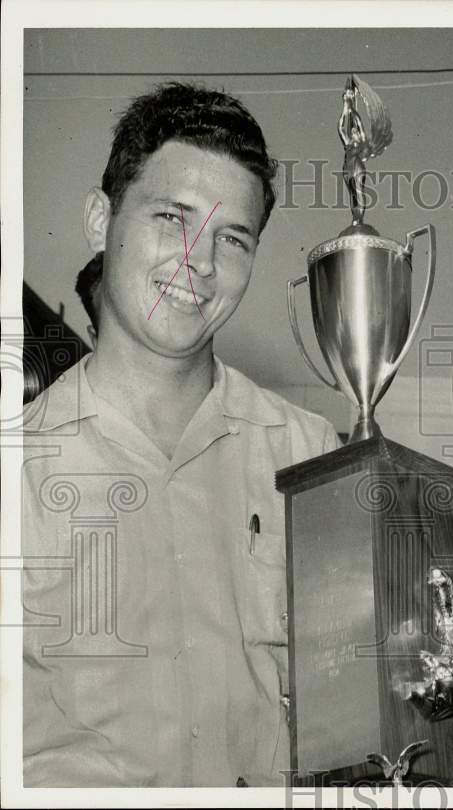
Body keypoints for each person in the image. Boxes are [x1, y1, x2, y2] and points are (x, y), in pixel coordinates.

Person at [20, 82, 344, 787]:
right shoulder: (18, 470)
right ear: (100, 220)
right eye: (173, 217)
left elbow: (380, 699)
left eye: (232, 238)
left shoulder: (311, 457)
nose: (199, 262)